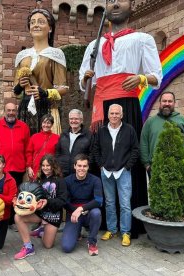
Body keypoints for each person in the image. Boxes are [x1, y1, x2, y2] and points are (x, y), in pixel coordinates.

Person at [80, 0, 162, 238]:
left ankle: (131, 223)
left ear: (132, 7)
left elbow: (157, 74)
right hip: (101, 104)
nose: (115, 3)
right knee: (102, 157)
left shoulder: (142, 39)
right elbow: (84, 83)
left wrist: (141, 79)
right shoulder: (94, 45)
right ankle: (103, 220)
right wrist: (86, 78)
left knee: (128, 157)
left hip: (127, 101)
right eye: (110, 1)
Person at [13, 8, 68, 135]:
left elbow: (63, 89)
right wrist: (20, 85)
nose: (36, 25)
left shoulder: (56, 54)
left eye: (41, 22)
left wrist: (46, 93)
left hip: (47, 106)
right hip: (25, 107)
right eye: (32, 22)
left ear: (50, 28)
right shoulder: (22, 55)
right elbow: (16, 93)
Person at [92, 104, 139, 247]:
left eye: (117, 113)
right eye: (111, 113)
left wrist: (127, 166)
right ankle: (111, 229)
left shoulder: (129, 130)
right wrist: (101, 164)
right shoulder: (101, 130)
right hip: (106, 172)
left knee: (125, 204)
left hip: (123, 172)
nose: (114, 116)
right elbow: (96, 149)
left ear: (122, 115)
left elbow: (135, 150)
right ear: (108, 115)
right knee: (109, 203)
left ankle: (125, 232)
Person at [14, 155, 67, 260]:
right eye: (43, 165)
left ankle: (41, 231)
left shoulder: (60, 181)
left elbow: (63, 201)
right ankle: (28, 247)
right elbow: (30, 197)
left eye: (48, 165)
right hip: (40, 213)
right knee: (18, 217)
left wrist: (47, 201)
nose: (45, 168)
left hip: (53, 215)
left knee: (48, 245)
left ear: (53, 166)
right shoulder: (37, 180)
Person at [140, 91, 184, 178]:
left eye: (170, 101)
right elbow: (144, 143)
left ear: (174, 103)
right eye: (164, 101)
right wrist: (147, 165)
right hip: (155, 167)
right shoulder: (150, 122)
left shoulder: (182, 120)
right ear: (160, 103)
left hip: (179, 167)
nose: (167, 104)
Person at [61, 154, 103, 256]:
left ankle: (92, 242)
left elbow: (99, 200)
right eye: (79, 166)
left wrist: (81, 208)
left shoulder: (95, 180)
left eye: (85, 166)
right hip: (73, 215)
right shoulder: (67, 181)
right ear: (74, 166)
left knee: (96, 213)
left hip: (88, 212)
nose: (82, 168)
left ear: (88, 167)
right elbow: (64, 201)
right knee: (67, 247)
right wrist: (76, 210)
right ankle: (77, 232)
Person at [0, 102, 30, 186]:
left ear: (16, 112)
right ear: (4, 111)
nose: (11, 113)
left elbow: (28, 148)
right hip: (2, 167)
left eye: (13, 110)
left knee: (17, 192)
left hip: (19, 167)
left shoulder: (24, 126)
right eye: (9, 110)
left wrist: (28, 165)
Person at [55, 109, 93, 177]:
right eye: (71, 119)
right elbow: (58, 152)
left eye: (76, 119)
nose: (73, 121)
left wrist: (85, 168)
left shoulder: (88, 135)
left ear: (81, 120)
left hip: (80, 174)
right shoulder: (63, 134)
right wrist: (59, 165)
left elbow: (92, 154)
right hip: (63, 173)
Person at [26, 114, 60, 181]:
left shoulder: (57, 138)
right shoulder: (34, 137)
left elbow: (58, 155)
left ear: (52, 125)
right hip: (36, 169)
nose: (46, 125)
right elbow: (29, 153)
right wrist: (29, 167)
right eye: (44, 122)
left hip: (51, 169)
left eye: (48, 123)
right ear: (41, 123)